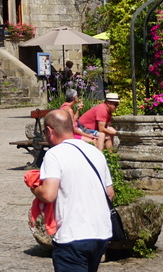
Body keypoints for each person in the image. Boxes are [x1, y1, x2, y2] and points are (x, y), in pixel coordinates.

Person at [31, 109, 114, 272]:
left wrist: (34, 188)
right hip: (100, 234)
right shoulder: (95, 152)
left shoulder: (54, 154)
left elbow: (48, 194)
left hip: (73, 236)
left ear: (49, 131)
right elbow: (110, 194)